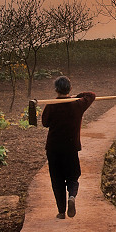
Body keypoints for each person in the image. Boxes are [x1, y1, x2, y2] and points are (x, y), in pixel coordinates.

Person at [41, 76, 96, 219]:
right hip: (71, 147)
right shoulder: (78, 104)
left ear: (56, 89)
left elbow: (45, 123)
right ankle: (72, 196)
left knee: (57, 179)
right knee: (72, 176)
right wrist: (75, 97)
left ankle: (61, 212)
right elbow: (91, 95)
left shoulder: (51, 105)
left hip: (54, 149)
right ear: (70, 89)